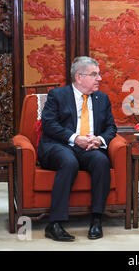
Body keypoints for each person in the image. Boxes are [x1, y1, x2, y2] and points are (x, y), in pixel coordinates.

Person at [38, 56, 117, 241]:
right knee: (69, 161)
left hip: (88, 147)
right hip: (59, 145)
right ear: (79, 77)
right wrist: (75, 138)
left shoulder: (102, 98)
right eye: (94, 74)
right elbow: (49, 124)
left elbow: (111, 127)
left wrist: (99, 139)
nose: (100, 79)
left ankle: (97, 220)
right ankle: (54, 223)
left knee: (101, 161)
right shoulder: (57, 95)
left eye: (99, 74)